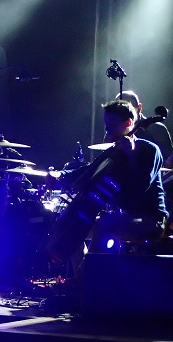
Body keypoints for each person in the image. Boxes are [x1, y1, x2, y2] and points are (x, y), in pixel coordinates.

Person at [45, 100, 169, 264]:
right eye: (106, 124)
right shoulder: (114, 151)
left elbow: (140, 187)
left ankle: (88, 274)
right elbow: (89, 169)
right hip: (125, 217)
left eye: (112, 123)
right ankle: (81, 274)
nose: (107, 128)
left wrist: (131, 156)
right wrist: (60, 175)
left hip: (151, 220)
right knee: (76, 227)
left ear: (128, 123)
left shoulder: (150, 150)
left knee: (105, 225)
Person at [113, 90, 173, 168]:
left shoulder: (157, 129)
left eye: (129, 107)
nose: (125, 112)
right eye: (120, 108)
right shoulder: (114, 130)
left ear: (139, 107)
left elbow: (167, 161)